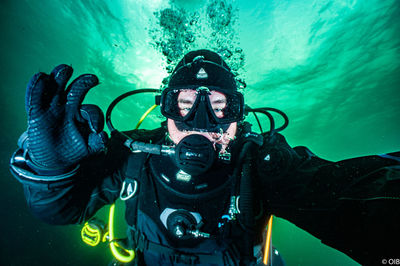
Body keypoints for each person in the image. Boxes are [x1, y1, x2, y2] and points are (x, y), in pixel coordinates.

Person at [9, 49, 400, 266]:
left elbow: (357, 200)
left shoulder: (261, 163)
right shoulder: (133, 155)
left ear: (239, 114)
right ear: (164, 109)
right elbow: (60, 211)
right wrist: (50, 171)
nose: (200, 122)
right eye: (183, 103)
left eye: (218, 105)